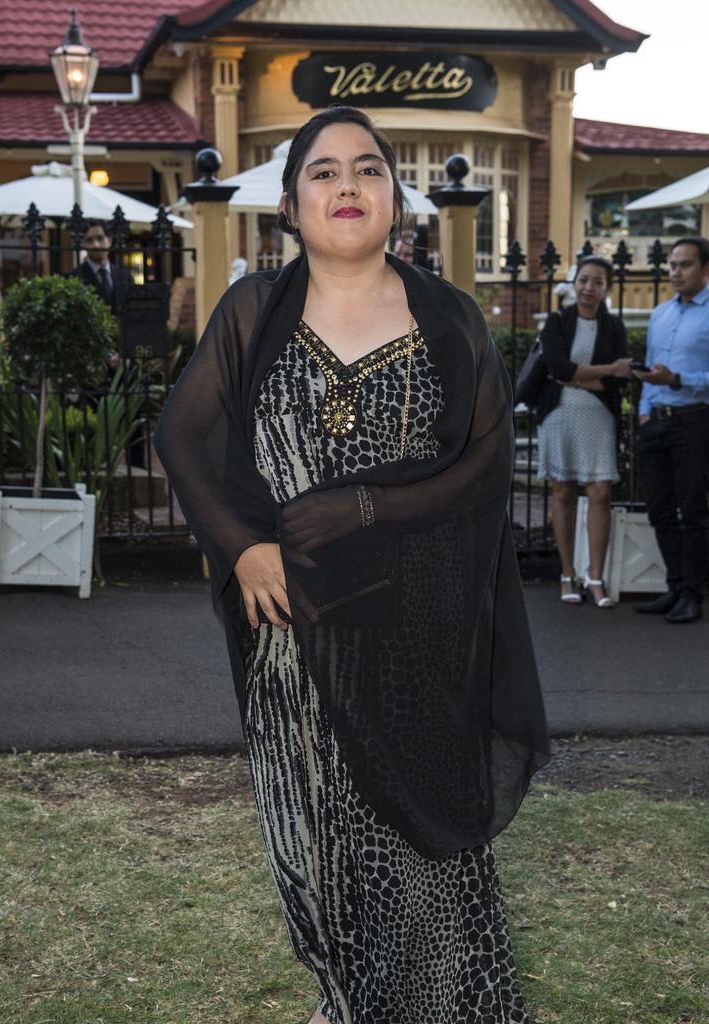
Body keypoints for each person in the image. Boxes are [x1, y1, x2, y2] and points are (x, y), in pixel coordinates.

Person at [154, 105, 550, 1024]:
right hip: (293, 633)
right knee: (314, 856)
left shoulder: (448, 318)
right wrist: (244, 546)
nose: (347, 186)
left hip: (416, 629)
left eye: (368, 169)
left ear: (397, 198)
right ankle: (349, 997)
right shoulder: (252, 310)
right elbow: (181, 431)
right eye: (323, 171)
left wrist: (369, 506)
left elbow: (485, 465)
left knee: (425, 864)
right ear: (290, 205)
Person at [535, 257, 631, 606]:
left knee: (601, 493)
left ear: (607, 288)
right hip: (559, 415)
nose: (590, 287)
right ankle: (566, 575)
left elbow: (621, 379)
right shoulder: (558, 322)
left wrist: (575, 378)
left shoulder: (615, 327)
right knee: (562, 492)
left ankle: (595, 577)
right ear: (575, 284)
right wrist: (603, 373)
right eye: (584, 280)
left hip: (599, 418)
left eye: (598, 282)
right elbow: (557, 366)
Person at [632, 236, 709, 624]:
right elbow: (649, 367)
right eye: (673, 264)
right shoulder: (661, 313)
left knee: (693, 510)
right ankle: (675, 586)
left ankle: (693, 594)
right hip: (656, 423)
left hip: (695, 420)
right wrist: (645, 411)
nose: (675, 271)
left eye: (685, 264)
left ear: (705, 269)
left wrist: (678, 379)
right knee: (659, 508)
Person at [69, 219, 132, 318]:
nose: (96, 245)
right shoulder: (74, 277)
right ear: (83, 244)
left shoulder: (125, 276)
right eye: (89, 240)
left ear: (110, 240)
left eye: (100, 238)